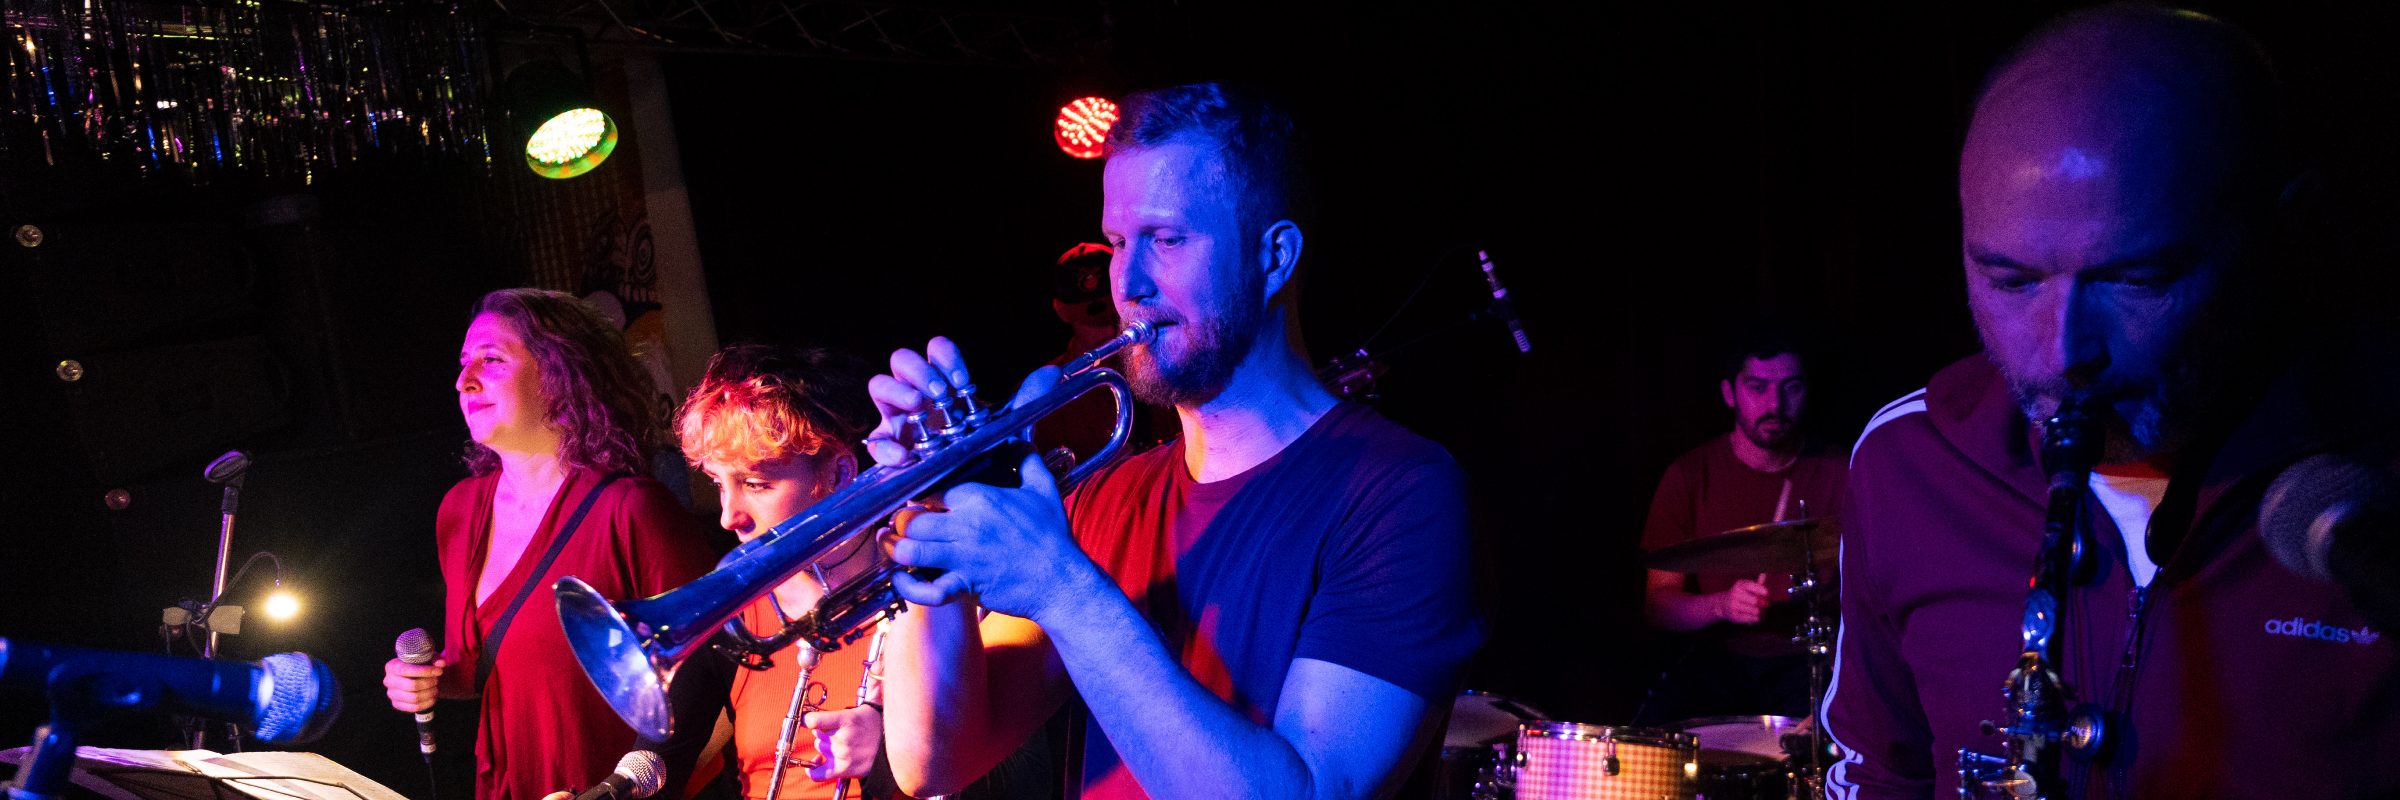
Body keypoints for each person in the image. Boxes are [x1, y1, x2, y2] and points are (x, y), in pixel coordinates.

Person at [1823, 6, 2400, 798]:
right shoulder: (1905, 462)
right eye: (2010, 280)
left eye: (2138, 279)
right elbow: (1881, 772)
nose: (2064, 354)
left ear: (2281, 234)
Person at [869, 82, 1484, 800]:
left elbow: (1311, 792)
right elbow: (937, 761)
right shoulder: (1107, 500)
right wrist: (930, 517)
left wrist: (1064, 589)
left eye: (1167, 239)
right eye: (1117, 242)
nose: (1126, 282)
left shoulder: (1404, 492)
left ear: (1274, 257)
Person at [383, 288, 717, 800]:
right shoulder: (461, 509)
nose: (464, 380)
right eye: (463, 363)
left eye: (491, 360)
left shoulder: (630, 510)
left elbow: (715, 678)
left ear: (561, 374)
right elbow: (479, 666)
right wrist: (427, 680)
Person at [650, 344, 895, 800]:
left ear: (840, 472)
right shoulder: (736, 617)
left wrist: (890, 745)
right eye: (719, 483)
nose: (729, 517)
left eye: (756, 484)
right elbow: (660, 766)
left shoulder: (932, 596)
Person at [1635, 330, 1845, 725]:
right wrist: (1720, 605)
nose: (1775, 404)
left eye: (1791, 388)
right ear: (1729, 393)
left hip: (1812, 661)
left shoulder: (1844, 471)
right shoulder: (1689, 475)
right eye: (1758, 387)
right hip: (1717, 660)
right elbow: (1659, 605)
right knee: (1646, 747)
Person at [1032, 242, 1179, 464]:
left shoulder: (1167, 366)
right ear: (1062, 312)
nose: (1112, 331)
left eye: (1115, 316)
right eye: (1094, 323)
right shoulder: (1043, 394)